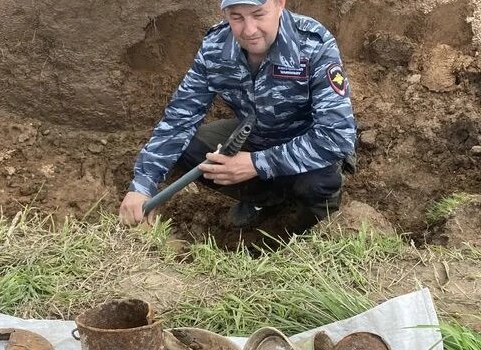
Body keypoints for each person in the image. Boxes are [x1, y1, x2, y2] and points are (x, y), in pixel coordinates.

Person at [118, 0, 357, 229]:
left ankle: (305, 224)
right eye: (237, 17)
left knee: (317, 186)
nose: (249, 30)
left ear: (279, 4)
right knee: (190, 148)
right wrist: (143, 184)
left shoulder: (313, 43)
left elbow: (337, 136)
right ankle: (265, 200)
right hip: (255, 134)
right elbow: (180, 117)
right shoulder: (215, 47)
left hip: (305, 141)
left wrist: (256, 164)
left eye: (258, 14)